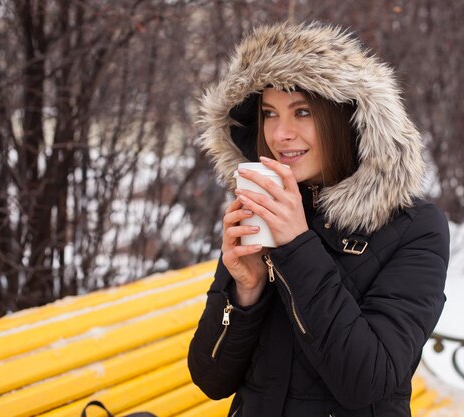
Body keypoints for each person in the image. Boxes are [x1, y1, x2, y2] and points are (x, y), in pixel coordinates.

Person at [188, 21, 449, 417]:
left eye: (303, 112)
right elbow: (210, 378)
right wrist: (245, 291)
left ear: (348, 118)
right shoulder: (265, 212)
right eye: (269, 113)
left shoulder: (415, 228)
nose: (280, 135)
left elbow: (367, 381)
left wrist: (296, 246)